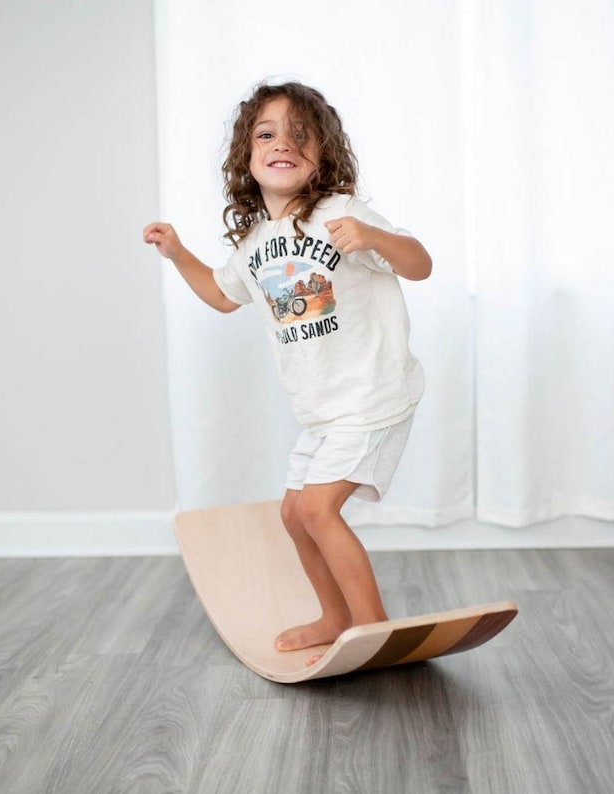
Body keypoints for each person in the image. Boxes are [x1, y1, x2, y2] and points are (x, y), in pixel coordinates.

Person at [143, 81, 431, 666]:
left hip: (371, 396)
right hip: (321, 411)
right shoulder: (254, 243)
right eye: (267, 134)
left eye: (301, 135)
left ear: (322, 154)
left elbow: (420, 265)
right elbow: (223, 297)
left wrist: (375, 238)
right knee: (293, 514)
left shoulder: (340, 213)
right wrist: (178, 255)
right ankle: (334, 617)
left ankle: (371, 629)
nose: (283, 144)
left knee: (319, 510)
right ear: (247, 158)